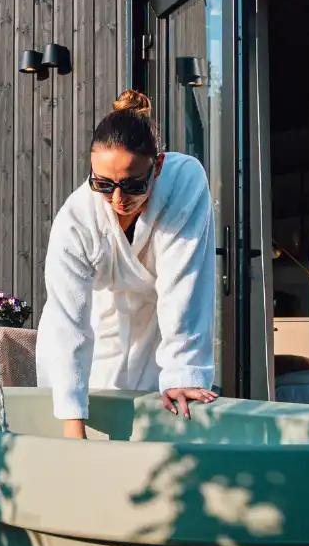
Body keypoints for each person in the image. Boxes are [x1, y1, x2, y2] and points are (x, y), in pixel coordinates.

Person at [36, 90, 219, 439]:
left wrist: (183, 371)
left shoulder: (184, 181)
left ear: (158, 166)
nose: (118, 199)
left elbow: (185, 284)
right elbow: (67, 318)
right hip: (92, 335)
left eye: (133, 185)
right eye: (103, 184)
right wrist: (73, 424)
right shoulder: (75, 220)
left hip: (157, 331)